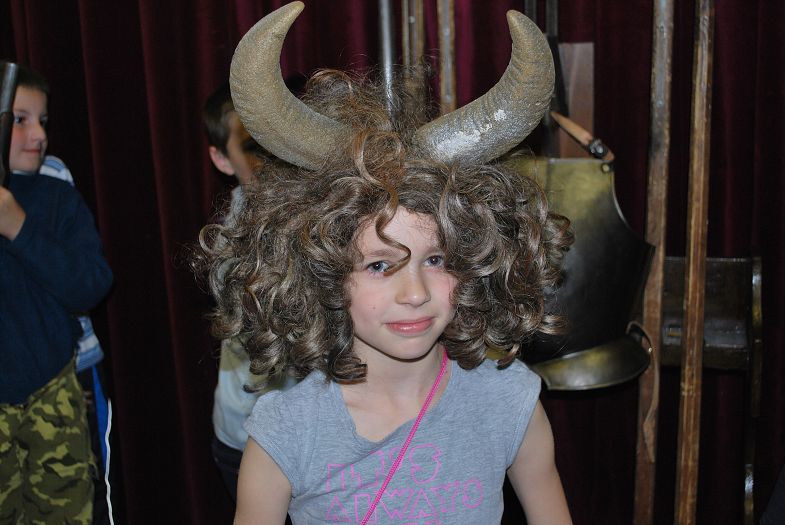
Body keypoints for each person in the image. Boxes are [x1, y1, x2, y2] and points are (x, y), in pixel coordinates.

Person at [198, 3, 573, 524]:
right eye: (378, 265)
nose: (414, 293)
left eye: (436, 259)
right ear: (322, 272)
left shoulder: (510, 402)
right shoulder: (285, 431)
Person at [0, 63, 113, 524]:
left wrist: (19, 227)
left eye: (43, 120)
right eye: (20, 120)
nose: (38, 135)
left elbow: (90, 284)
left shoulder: (55, 192)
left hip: (52, 391)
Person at [202, 82, 297, 502]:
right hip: (252, 440)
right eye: (254, 148)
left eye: (279, 142)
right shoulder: (229, 244)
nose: (273, 160)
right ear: (222, 159)